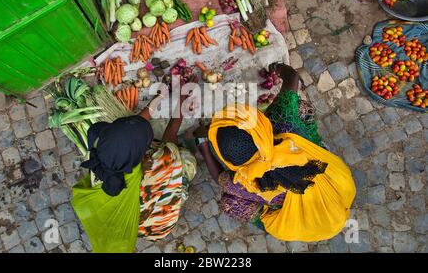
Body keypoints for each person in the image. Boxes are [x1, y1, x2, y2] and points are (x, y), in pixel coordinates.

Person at [193, 63, 356, 242]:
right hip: (337, 188)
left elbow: (220, 179)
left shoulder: (245, 183)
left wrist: (204, 145)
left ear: (233, 162)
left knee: (229, 204)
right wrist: (275, 67)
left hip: (307, 221)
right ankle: (315, 144)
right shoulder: (283, 120)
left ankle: (266, 213)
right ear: (255, 123)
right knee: (300, 108)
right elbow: (292, 77)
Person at [72, 92, 196, 252]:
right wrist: (182, 101)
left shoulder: (100, 158)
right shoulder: (159, 163)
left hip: (131, 222)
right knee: (187, 160)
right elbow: (171, 130)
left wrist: (159, 97)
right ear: (142, 153)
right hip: (157, 226)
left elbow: (129, 131)